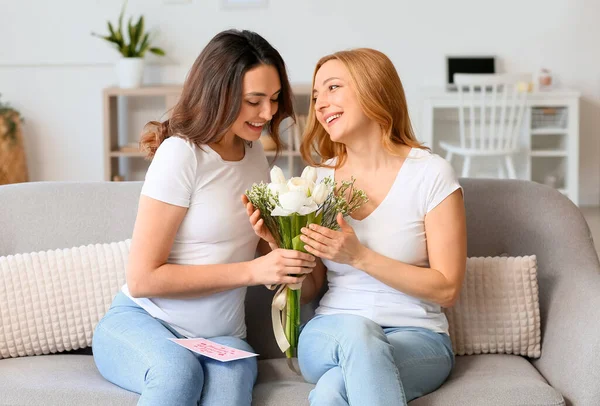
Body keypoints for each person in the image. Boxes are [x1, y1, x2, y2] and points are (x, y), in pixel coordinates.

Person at [92, 29, 316, 406]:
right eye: (254, 101)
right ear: (219, 94)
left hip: (223, 340)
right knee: (178, 371)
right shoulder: (182, 154)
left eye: (275, 99)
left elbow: (256, 250)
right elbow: (143, 278)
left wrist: (277, 247)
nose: (268, 114)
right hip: (146, 322)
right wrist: (254, 271)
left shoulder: (254, 155)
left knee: (230, 391)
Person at [295, 48, 467, 405]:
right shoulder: (317, 181)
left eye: (332, 88)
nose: (320, 104)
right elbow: (310, 288)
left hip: (417, 338)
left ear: (374, 89)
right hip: (330, 332)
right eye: (315, 96)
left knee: (331, 392)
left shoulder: (430, 174)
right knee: (357, 331)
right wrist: (279, 248)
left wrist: (359, 257)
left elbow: (447, 289)